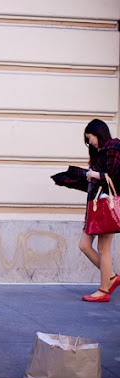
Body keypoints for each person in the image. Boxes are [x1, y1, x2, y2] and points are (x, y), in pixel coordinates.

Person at [77, 119, 120, 302]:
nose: (90, 143)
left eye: (90, 138)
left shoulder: (114, 148)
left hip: (106, 207)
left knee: (103, 248)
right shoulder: (101, 152)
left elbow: (115, 177)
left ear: (98, 133)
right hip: (95, 207)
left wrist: (96, 175)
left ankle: (104, 291)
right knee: (84, 245)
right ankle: (110, 277)